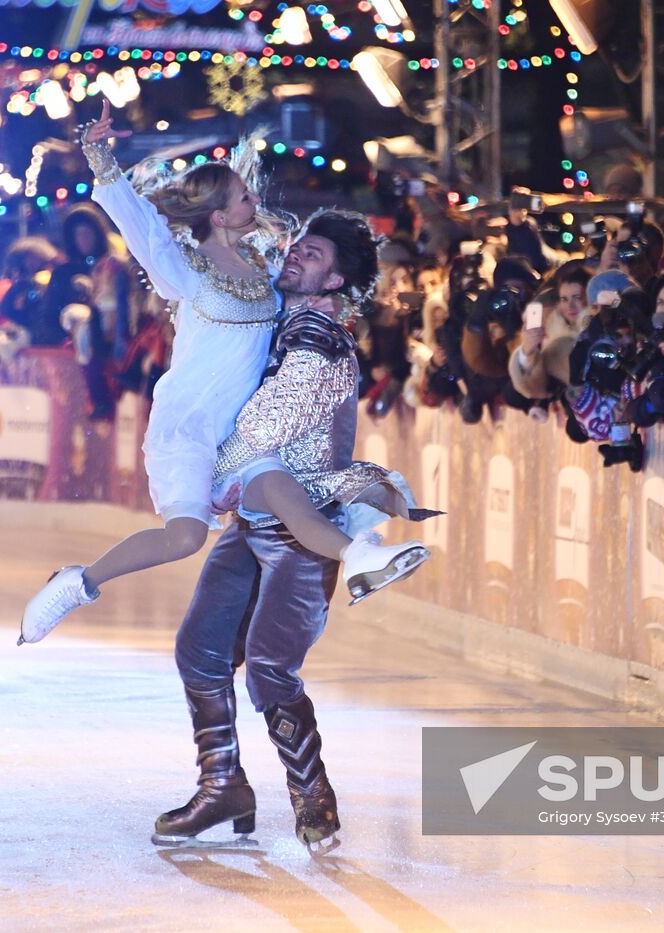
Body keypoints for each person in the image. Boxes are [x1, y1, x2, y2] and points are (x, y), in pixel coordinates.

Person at [18, 102, 425, 645]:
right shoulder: (185, 273)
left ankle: (360, 557)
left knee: (284, 491)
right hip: (187, 425)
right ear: (219, 216)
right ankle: (77, 581)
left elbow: (319, 285)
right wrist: (100, 158)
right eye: (243, 198)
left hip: (242, 432)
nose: (256, 201)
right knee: (185, 537)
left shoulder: (266, 270)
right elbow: (141, 228)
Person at [157, 209, 435, 850]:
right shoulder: (288, 321)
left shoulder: (318, 336)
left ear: (335, 282)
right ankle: (222, 784)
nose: (295, 259)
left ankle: (313, 799)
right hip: (257, 522)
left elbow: (264, 427)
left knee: (271, 670)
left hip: (297, 529)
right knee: (200, 650)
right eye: (297, 249)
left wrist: (213, 474)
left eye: (311, 257)